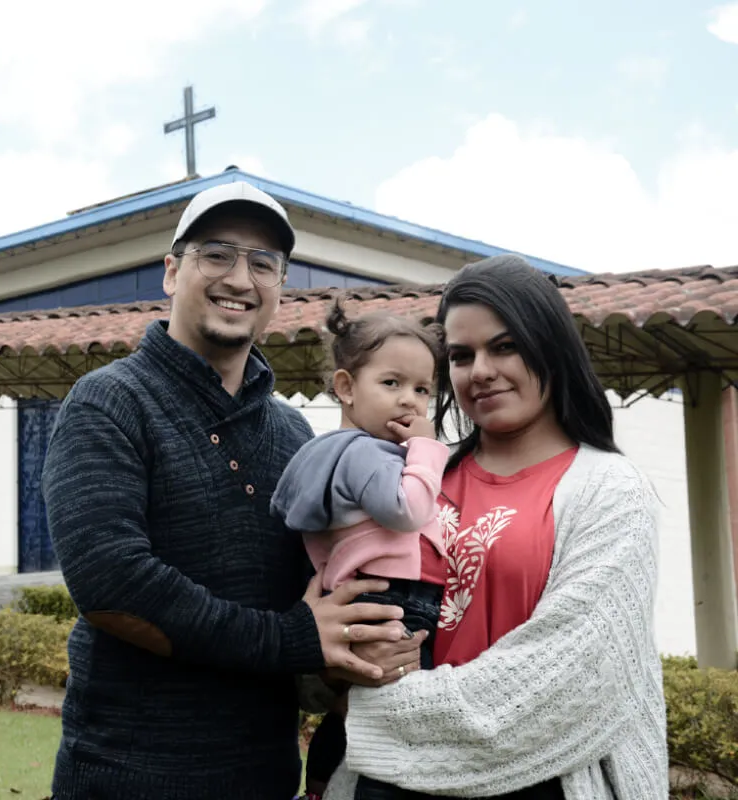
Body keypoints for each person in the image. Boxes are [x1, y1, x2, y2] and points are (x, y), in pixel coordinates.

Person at [40, 181, 411, 800]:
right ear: (170, 272)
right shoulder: (109, 402)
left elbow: (319, 582)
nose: (240, 278)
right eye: (216, 254)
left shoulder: (294, 433)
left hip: (263, 779)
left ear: (279, 290)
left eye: (263, 264)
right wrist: (289, 638)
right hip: (126, 780)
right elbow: (112, 584)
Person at [319, 254, 668, 800]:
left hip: (538, 781)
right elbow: (336, 599)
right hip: (390, 784)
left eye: (504, 346)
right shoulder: (414, 474)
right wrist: (338, 651)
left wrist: (379, 712)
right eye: (461, 355)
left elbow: (569, 682)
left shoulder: (610, 490)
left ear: (550, 347)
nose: (480, 370)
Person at [270, 299, 450, 799]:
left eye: (422, 389)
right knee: (405, 709)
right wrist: (429, 450)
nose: (410, 402)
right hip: (397, 595)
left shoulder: (326, 453)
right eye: (391, 384)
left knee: (357, 707)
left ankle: (325, 782)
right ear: (346, 387)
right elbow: (407, 510)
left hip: (369, 594)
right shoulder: (366, 455)